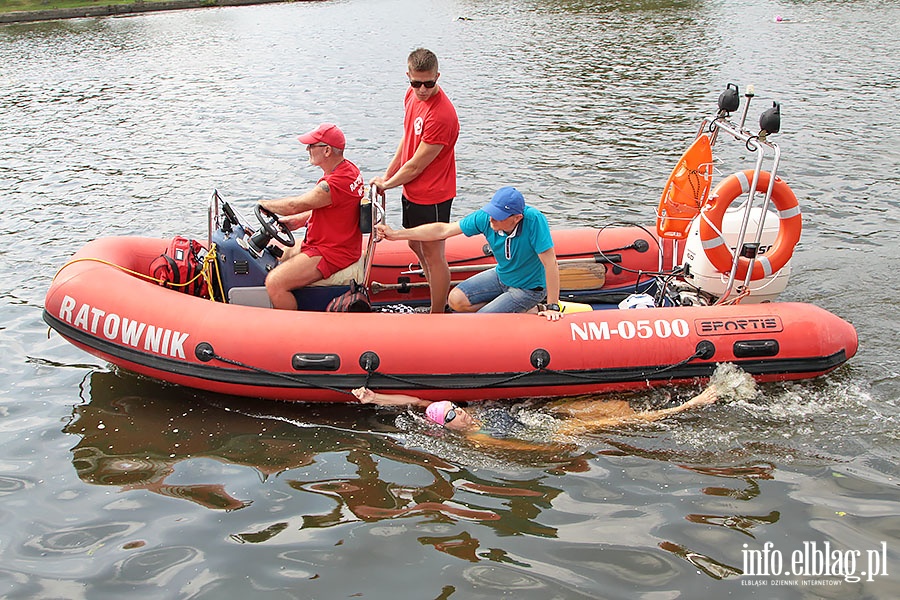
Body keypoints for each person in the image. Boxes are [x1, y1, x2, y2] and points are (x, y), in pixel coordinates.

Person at [376, 186, 563, 320]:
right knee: (455, 300)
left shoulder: (534, 221)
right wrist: (396, 235)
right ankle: (514, 311)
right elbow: (443, 230)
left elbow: (550, 264)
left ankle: (529, 309)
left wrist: (553, 306)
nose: (492, 219)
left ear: (517, 218)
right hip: (502, 276)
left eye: (498, 217)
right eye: (492, 212)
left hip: (528, 289)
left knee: (481, 320)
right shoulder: (486, 218)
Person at [351, 385, 720, 449]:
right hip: (549, 431)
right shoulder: (476, 438)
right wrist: (557, 447)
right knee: (610, 424)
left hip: (533, 415)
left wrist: (374, 398)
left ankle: (650, 400)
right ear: (446, 429)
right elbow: (522, 447)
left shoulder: (470, 416)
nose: (458, 412)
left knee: (603, 407)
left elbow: (414, 400)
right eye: (452, 415)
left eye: (455, 407)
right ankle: (688, 406)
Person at [370, 48, 460, 314]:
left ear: (437, 77)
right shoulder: (411, 96)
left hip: (434, 194)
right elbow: (407, 141)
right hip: (412, 191)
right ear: (408, 77)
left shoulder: (442, 115)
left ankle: (437, 312)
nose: (422, 89)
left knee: (434, 254)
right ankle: (434, 287)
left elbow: (417, 164)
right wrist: (388, 176)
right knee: (413, 243)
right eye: (416, 83)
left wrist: (388, 184)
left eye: (429, 84)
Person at [259, 123, 365, 310]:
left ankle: (292, 331)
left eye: (311, 145)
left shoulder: (334, 183)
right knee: (282, 253)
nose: (307, 149)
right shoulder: (349, 170)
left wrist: (264, 204)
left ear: (326, 151)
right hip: (335, 243)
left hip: (332, 252)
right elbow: (337, 207)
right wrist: (300, 221)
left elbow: (294, 205)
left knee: (274, 283)